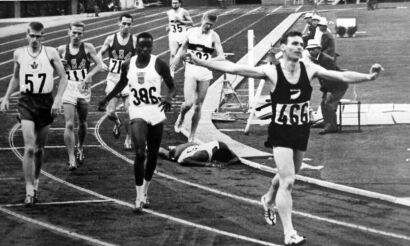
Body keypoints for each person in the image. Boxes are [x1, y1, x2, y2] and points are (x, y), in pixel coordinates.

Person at [188, 31, 383, 246]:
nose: (300, 47)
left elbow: (342, 76)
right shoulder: (271, 72)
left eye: (302, 44)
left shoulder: (310, 70)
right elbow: (233, 68)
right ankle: (289, 233)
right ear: (283, 48)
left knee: (286, 176)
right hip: (280, 132)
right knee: (288, 181)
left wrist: (368, 77)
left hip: (301, 130)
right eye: (295, 44)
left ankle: (268, 197)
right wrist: (200, 61)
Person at [97, 32, 176, 213]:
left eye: (148, 46)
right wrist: (106, 99)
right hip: (138, 110)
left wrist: (170, 98)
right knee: (140, 152)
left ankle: (146, 192)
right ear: (136, 47)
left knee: (153, 154)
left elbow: (172, 86)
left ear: (152, 46)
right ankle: (138, 196)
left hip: (156, 111)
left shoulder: (159, 63)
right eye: (142, 46)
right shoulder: (128, 64)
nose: (145, 49)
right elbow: (121, 84)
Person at [0, 22, 68, 206]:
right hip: (27, 102)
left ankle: (36, 181)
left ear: (43, 37)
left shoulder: (51, 52)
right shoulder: (19, 54)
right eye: (32, 35)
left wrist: (58, 99)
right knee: (29, 147)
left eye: (39, 36)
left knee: (39, 149)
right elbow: (15, 76)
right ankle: (29, 189)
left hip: (45, 102)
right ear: (27, 35)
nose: (35, 39)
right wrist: (6, 97)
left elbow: (63, 77)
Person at [172, 13, 225, 142]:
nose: (208, 26)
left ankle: (192, 135)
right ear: (202, 20)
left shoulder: (214, 36)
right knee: (188, 103)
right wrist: (177, 59)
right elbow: (183, 48)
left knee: (198, 107)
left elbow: (221, 56)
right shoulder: (191, 32)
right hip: (191, 70)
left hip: (205, 73)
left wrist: (207, 61)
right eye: (206, 23)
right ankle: (182, 115)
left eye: (211, 25)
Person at [57, 21, 102, 170]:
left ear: (83, 34)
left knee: (82, 122)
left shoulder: (88, 48)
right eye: (74, 32)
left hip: (83, 88)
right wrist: (59, 65)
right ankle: (71, 158)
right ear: (68, 32)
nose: (76, 36)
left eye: (79, 33)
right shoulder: (61, 49)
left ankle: (80, 147)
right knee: (69, 123)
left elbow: (100, 65)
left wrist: (89, 75)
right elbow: (53, 69)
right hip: (68, 87)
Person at [98, 13, 136, 150]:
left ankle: (128, 138)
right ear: (118, 23)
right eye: (124, 23)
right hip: (113, 80)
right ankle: (117, 122)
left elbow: (139, 60)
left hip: (128, 81)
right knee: (110, 113)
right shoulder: (110, 39)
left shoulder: (134, 40)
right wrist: (101, 63)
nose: (126, 26)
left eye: (129, 24)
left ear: (131, 25)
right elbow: (99, 54)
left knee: (129, 111)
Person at [305, 39, 347, 134]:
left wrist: (329, 91)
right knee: (323, 104)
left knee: (329, 103)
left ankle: (332, 126)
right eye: (309, 49)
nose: (310, 51)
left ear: (318, 49)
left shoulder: (326, 60)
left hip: (338, 85)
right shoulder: (317, 59)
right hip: (329, 85)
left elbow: (331, 77)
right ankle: (327, 122)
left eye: (313, 49)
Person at [158, 141, 241, 167]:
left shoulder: (223, 146)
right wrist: (205, 164)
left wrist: (227, 163)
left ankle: (174, 147)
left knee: (178, 148)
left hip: (195, 145)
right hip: (182, 153)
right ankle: (149, 147)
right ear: (214, 160)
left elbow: (237, 158)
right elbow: (183, 160)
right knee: (169, 154)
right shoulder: (204, 155)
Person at [166, 0, 193, 77]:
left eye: (175, 3)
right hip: (173, 36)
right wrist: (168, 27)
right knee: (172, 54)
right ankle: (171, 74)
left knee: (184, 55)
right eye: (172, 3)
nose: (174, 4)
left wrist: (181, 21)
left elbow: (191, 23)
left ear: (180, 3)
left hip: (182, 36)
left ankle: (188, 71)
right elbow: (170, 22)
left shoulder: (184, 12)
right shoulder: (169, 12)